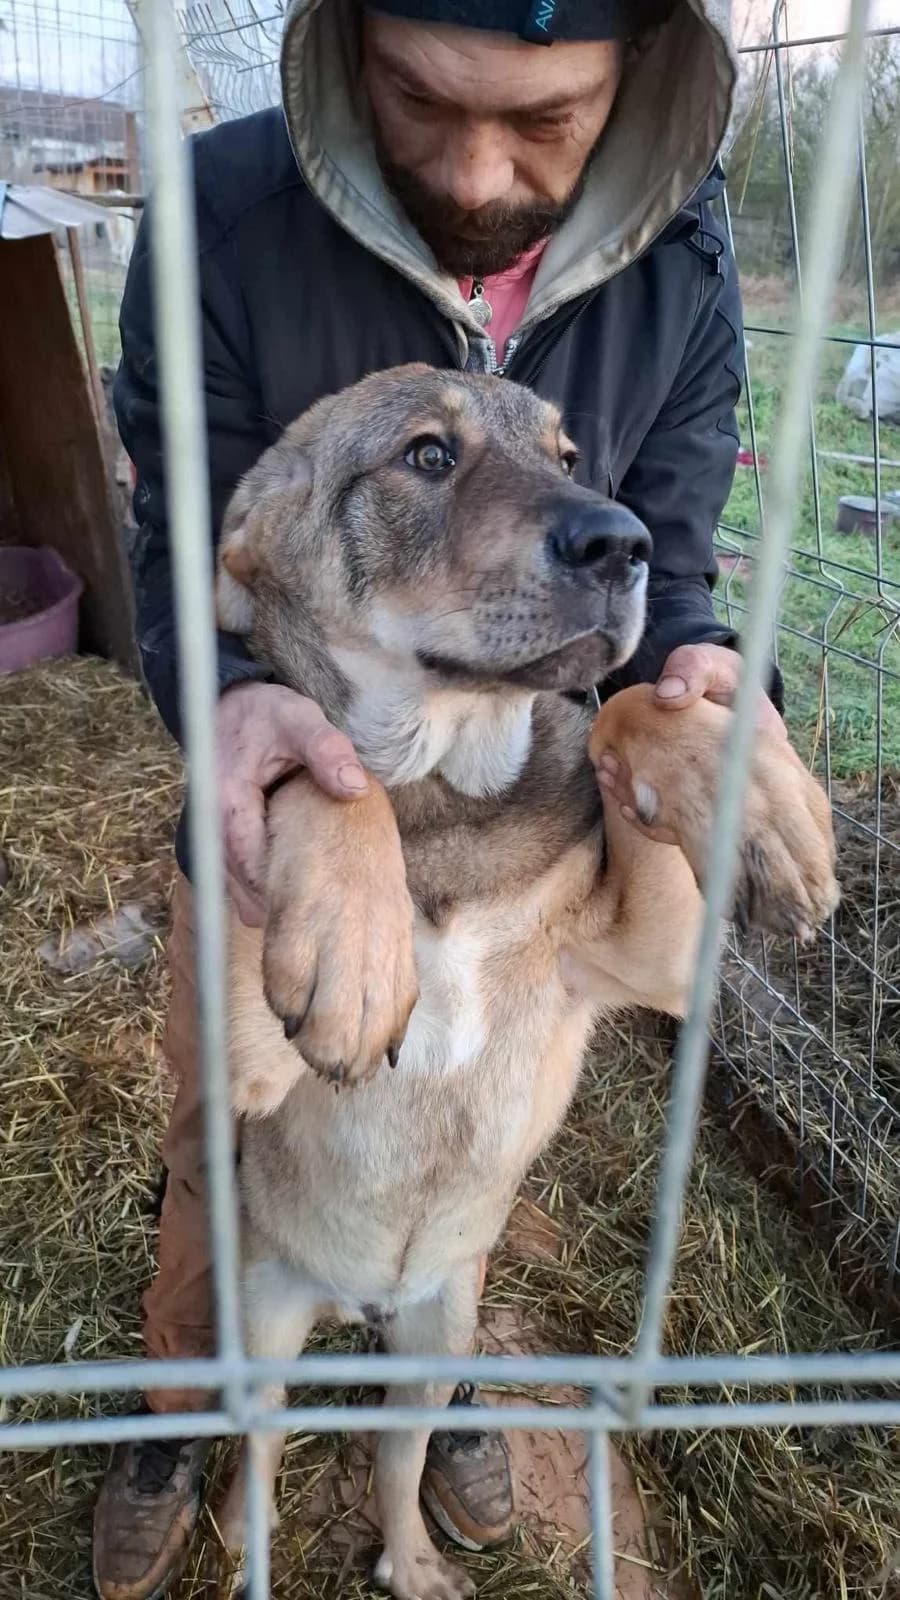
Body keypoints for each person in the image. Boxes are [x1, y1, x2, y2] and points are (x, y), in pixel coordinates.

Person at [93, 2, 786, 1595]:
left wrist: (694, 702)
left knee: (454, 1213)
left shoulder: (684, 259)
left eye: (544, 122)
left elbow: (661, 565)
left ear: (631, 80)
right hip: (286, 770)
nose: (478, 171)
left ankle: (442, 1390)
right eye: (419, 100)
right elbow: (191, 552)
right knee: (215, 1142)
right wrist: (256, 738)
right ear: (349, 48)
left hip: (529, 796)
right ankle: (177, 1409)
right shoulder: (221, 217)